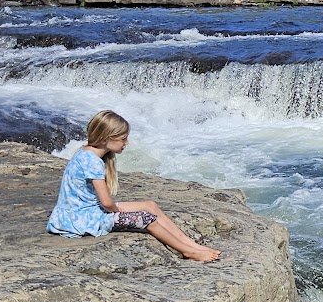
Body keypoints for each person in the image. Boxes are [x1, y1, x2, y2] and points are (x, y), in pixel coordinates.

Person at [47, 109, 220, 262]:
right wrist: (118, 212)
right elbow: (107, 203)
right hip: (84, 219)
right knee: (145, 218)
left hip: (80, 212)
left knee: (150, 206)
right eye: (123, 138)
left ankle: (192, 244)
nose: (126, 142)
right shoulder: (92, 162)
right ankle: (188, 251)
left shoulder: (84, 153)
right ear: (107, 138)